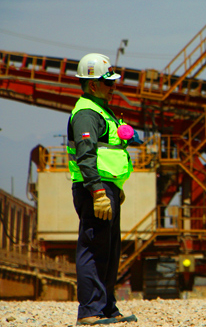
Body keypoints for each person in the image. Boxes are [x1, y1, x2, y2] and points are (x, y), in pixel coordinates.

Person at [68, 53, 138, 325]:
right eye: (107, 83)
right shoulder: (86, 113)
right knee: (94, 248)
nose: (113, 87)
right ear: (93, 84)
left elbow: (108, 152)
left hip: (107, 188)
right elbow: (86, 155)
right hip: (94, 189)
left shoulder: (101, 110)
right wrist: (98, 191)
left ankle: (107, 308)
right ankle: (90, 311)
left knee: (109, 249)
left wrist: (113, 186)